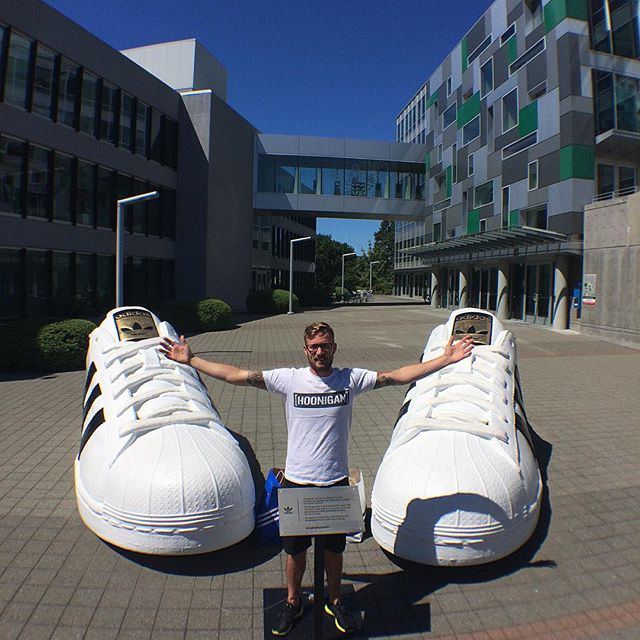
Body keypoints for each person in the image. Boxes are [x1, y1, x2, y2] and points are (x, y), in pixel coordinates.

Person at [160, 321, 473, 636]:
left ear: (334, 347)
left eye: (326, 345)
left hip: (335, 482)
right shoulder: (289, 379)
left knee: (334, 551)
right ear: (305, 349)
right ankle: (294, 601)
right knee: (295, 552)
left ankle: (335, 599)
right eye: (314, 347)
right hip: (297, 482)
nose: (320, 352)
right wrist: (191, 360)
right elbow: (237, 375)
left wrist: (445, 360)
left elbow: (398, 376)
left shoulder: (350, 379)